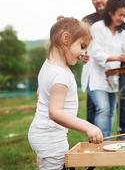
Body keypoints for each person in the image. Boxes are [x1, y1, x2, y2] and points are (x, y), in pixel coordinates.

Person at [28, 17, 103, 170]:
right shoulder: (60, 75)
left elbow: (40, 93)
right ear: (66, 39)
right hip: (50, 137)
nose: (83, 52)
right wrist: (89, 127)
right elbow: (55, 112)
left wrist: (77, 53)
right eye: (82, 46)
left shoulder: (49, 65)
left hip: (44, 133)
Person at [81, 0, 125, 138]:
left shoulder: (121, 32)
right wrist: (117, 57)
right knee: (103, 109)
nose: (122, 18)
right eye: (120, 15)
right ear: (110, 12)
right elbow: (97, 54)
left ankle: (105, 140)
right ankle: (100, 141)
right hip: (96, 77)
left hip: (112, 78)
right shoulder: (97, 28)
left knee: (110, 111)